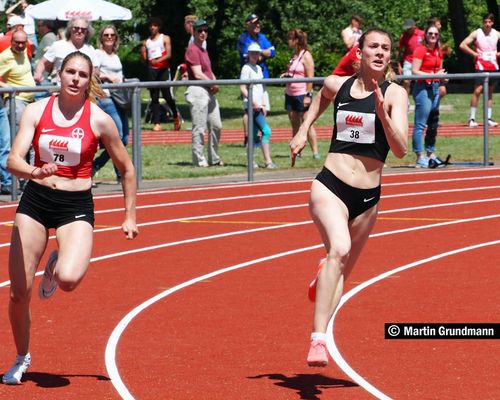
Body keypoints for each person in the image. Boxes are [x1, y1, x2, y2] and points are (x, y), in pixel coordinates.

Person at [1, 51, 138, 385]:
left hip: (75, 204)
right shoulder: (36, 111)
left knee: (69, 280)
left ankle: (58, 262)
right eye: (70, 72)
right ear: (59, 75)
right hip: (36, 199)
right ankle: (22, 356)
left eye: (82, 74)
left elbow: (126, 168)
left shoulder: (98, 119)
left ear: (89, 81)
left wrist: (129, 215)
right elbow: (13, 160)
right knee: (19, 293)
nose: (75, 79)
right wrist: (35, 170)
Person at [289, 28, 407, 367]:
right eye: (373, 46)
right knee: (339, 249)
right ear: (360, 52)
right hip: (331, 186)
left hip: (368, 199)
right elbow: (321, 97)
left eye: (386, 48)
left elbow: (400, 151)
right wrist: (302, 128)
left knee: (341, 271)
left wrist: (384, 117)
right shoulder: (338, 84)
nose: (380, 52)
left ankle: (323, 277)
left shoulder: (395, 94)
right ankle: (318, 340)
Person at [184, 18, 224, 168]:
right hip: (198, 90)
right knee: (199, 127)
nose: (203, 33)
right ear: (193, 32)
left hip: (208, 91)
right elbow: (198, 73)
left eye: (205, 30)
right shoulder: (193, 49)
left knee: (217, 125)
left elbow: (208, 71)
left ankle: (213, 158)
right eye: (199, 30)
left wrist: (215, 83)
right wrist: (212, 82)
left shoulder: (203, 49)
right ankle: (198, 159)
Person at [93, 24, 128, 184]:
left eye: (112, 35)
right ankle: (98, 166)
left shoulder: (115, 55)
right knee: (117, 136)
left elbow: (120, 74)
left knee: (124, 138)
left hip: (120, 97)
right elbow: (95, 73)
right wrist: (108, 78)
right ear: (101, 38)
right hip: (106, 97)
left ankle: (119, 173)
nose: (109, 38)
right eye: (106, 35)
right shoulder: (97, 54)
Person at [411, 24, 446, 168]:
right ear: (425, 35)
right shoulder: (420, 50)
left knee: (433, 123)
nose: (433, 36)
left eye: (435, 34)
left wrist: (443, 78)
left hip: (435, 87)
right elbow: (414, 71)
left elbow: (440, 69)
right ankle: (420, 156)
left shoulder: (439, 51)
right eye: (430, 33)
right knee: (421, 124)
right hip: (422, 88)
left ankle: (431, 153)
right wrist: (433, 75)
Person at [237, 13, 275, 144]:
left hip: (261, 77)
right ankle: (248, 137)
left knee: (262, 107)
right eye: (254, 23)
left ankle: (257, 136)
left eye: (258, 23)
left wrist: (261, 53)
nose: (257, 25)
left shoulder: (262, 37)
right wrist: (263, 53)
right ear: (248, 24)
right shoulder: (243, 38)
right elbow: (247, 56)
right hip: (249, 79)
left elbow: (273, 51)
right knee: (249, 109)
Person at [282, 29, 320, 160]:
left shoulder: (306, 56)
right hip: (290, 93)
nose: (288, 42)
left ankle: (315, 152)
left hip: (301, 94)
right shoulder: (294, 55)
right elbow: (295, 73)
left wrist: (308, 96)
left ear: (296, 40)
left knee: (307, 124)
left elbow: (310, 77)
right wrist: (286, 75)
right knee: (294, 124)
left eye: (290, 39)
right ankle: (297, 151)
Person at [140, 17, 181, 132]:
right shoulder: (146, 42)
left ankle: (175, 115)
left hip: (163, 69)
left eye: (155, 25)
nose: (153, 28)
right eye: (151, 26)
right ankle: (157, 122)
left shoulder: (165, 38)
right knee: (154, 97)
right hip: (152, 70)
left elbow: (168, 54)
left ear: (158, 27)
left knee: (167, 95)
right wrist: (143, 54)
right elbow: (145, 59)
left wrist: (158, 61)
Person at [459, 13, 500, 128]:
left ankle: (488, 118)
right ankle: (471, 118)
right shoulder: (477, 33)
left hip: (493, 66)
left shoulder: (496, 33)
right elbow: (462, 45)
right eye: (485, 22)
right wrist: (475, 54)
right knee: (478, 91)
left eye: (489, 22)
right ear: (483, 22)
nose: (487, 24)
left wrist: (498, 54)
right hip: (481, 66)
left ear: (492, 23)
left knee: (490, 92)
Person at [239, 42, 276, 169]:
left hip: (259, 106)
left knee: (254, 136)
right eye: (253, 53)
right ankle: (268, 161)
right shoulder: (246, 68)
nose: (255, 55)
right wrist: (253, 102)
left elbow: (262, 88)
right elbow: (243, 88)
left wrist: (264, 104)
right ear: (248, 54)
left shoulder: (259, 69)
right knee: (266, 131)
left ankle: (251, 161)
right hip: (252, 107)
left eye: (257, 53)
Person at [34, 16, 100, 85]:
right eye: (76, 28)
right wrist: (38, 73)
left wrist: (94, 72)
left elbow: (96, 71)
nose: (79, 31)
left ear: (87, 32)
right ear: (70, 29)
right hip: (59, 89)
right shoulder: (58, 45)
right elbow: (42, 63)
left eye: (83, 29)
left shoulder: (90, 49)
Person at [0, 29, 35, 134]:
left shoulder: (23, 51)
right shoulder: (4, 57)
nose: (20, 45)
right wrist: (4, 85)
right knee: (19, 137)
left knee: (31, 135)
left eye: (23, 42)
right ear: (11, 41)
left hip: (30, 101)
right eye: (17, 42)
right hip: (16, 102)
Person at [396, 19, 424, 93]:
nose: (408, 30)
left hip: (420, 62)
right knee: (406, 81)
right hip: (408, 61)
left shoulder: (422, 34)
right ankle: (405, 101)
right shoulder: (404, 36)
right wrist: (399, 65)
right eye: (407, 28)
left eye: (409, 28)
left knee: (420, 82)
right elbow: (399, 51)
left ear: (414, 26)